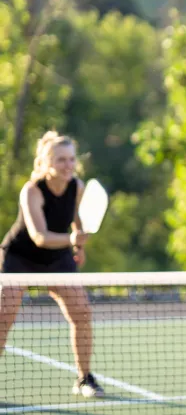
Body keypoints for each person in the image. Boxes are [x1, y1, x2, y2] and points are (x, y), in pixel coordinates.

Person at [0, 131, 104, 398]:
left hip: (57, 259)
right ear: (47, 163)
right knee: (3, 318)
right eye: (61, 160)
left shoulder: (76, 186)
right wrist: (72, 239)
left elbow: (78, 221)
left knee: (81, 314)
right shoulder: (32, 190)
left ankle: (84, 379)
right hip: (20, 258)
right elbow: (39, 236)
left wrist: (78, 246)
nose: (68, 165)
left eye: (71, 159)